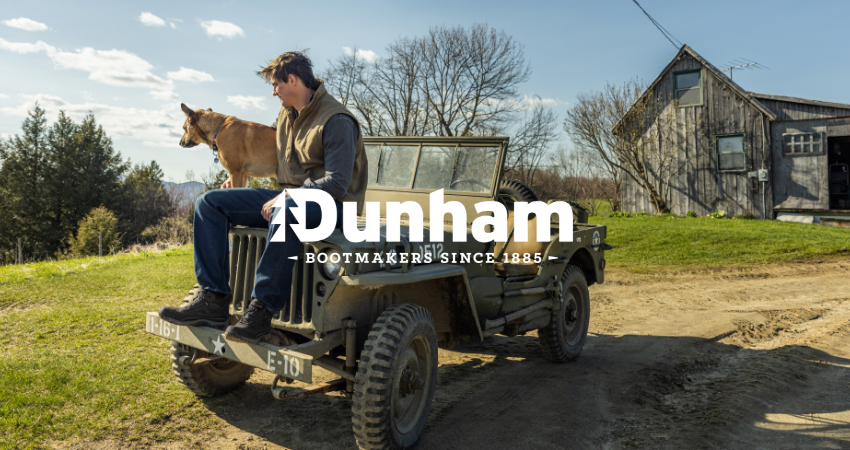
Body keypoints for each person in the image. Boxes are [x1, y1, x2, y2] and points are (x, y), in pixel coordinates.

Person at [158, 51, 368, 344]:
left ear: (292, 80)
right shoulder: (286, 115)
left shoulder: (336, 120)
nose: (273, 92)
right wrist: (237, 178)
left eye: (276, 85)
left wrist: (286, 197)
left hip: (334, 206)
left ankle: (261, 311)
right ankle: (213, 299)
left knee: (288, 209)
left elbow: (336, 183)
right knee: (210, 204)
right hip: (292, 197)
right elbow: (273, 157)